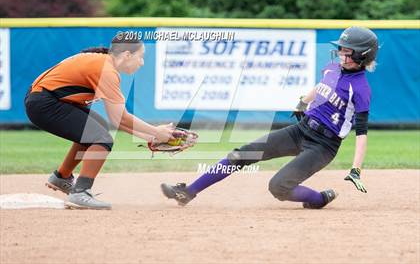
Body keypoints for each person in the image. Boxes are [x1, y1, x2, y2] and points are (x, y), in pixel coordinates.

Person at [161, 26, 379, 209]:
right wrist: (303, 102)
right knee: (240, 155)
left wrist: (355, 169)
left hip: (323, 146)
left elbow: (361, 134)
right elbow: (321, 86)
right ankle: (188, 192)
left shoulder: (360, 89)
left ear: (363, 55)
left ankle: (317, 199)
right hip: (301, 130)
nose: (341, 54)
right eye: (340, 49)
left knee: (278, 187)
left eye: (347, 52)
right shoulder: (332, 69)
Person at [25, 34, 175, 210]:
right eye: (140, 57)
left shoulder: (102, 62)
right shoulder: (107, 70)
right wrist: (157, 132)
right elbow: (120, 118)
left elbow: (118, 121)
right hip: (46, 103)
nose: (141, 63)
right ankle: (80, 192)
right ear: (127, 55)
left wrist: (151, 136)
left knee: (98, 130)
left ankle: (62, 177)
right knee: (102, 138)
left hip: (44, 99)